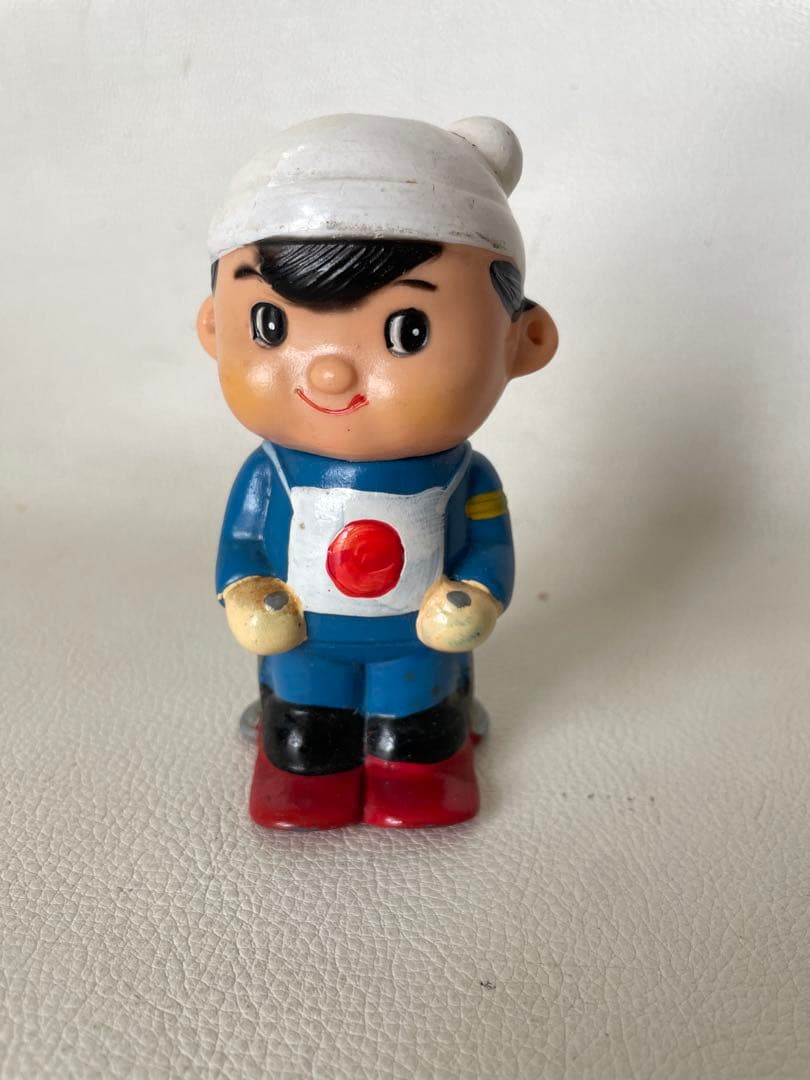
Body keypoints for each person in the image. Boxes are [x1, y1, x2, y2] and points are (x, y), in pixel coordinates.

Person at [196, 114, 557, 829]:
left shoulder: (467, 477)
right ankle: (300, 765)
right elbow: (240, 543)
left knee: (416, 731)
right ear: (214, 326)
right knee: (306, 733)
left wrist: (478, 597)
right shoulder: (269, 472)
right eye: (272, 326)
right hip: (304, 640)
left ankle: (419, 767)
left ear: (523, 341)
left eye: (407, 332)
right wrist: (245, 591)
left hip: (416, 646)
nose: (329, 372)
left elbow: (490, 548)